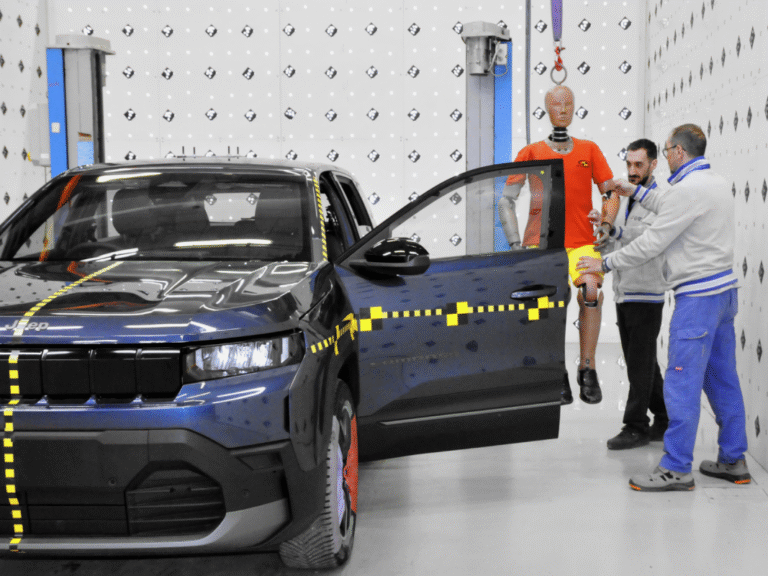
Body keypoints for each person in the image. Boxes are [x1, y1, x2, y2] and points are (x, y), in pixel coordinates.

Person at [577, 124, 751, 491]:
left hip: (698, 301)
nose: (667, 155)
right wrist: (634, 191)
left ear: (676, 153)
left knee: (681, 383)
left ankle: (675, 468)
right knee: (722, 381)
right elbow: (671, 205)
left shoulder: (687, 191)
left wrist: (603, 264)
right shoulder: (714, 183)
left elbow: (652, 242)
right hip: (723, 295)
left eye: (667, 149)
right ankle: (733, 459)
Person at [499, 84, 620, 405]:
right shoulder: (532, 152)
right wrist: (515, 245)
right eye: (556, 104)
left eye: (568, 103)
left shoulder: (589, 149)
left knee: (591, 292)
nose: (563, 109)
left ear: (575, 107)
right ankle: (556, 370)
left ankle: (587, 368)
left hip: (581, 241)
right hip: (542, 243)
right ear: (546, 109)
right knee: (549, 304)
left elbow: (610, 194)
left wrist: (606, 225)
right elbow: (505, 201)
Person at [589, 139, 669, 449]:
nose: (632, 171)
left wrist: (618, 233)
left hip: (646, 293)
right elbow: (621, 240)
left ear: (653, 164)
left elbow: (649, 238)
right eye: (629, 165)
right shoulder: (623, 200)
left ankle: (636, 425)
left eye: (638, 165)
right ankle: (664, 418)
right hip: (625, 291)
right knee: (645, 362)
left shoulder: (661, 198)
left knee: (639, 364)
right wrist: (604, 233)